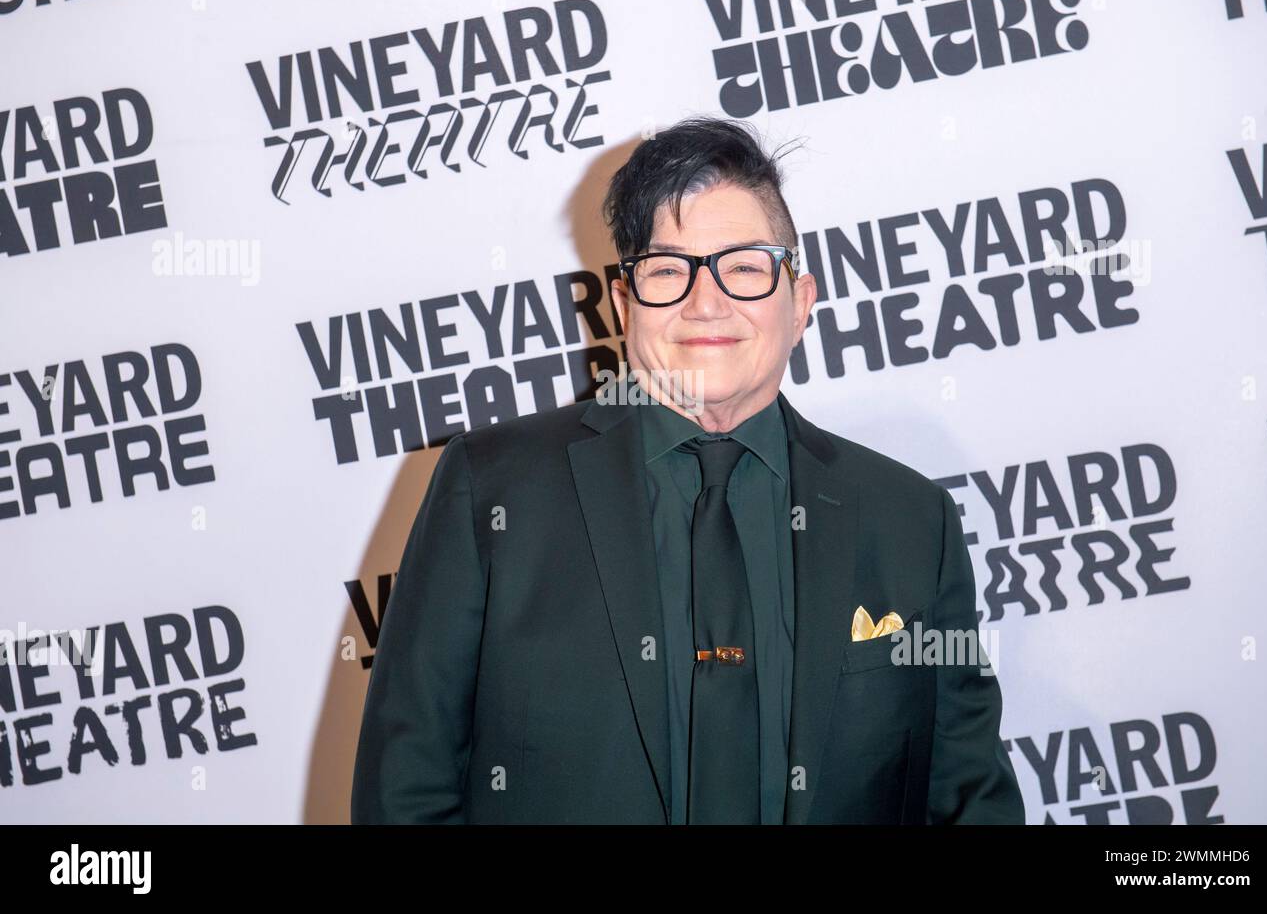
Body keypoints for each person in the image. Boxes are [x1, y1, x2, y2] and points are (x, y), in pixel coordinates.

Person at [350, 116, 1025, 824]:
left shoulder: (910, 522)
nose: (706, 302)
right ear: (622, 305)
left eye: (743, 267)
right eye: (668, 271)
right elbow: (405, 796)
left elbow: (968, 800)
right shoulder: (491, 490)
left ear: (800, 301)